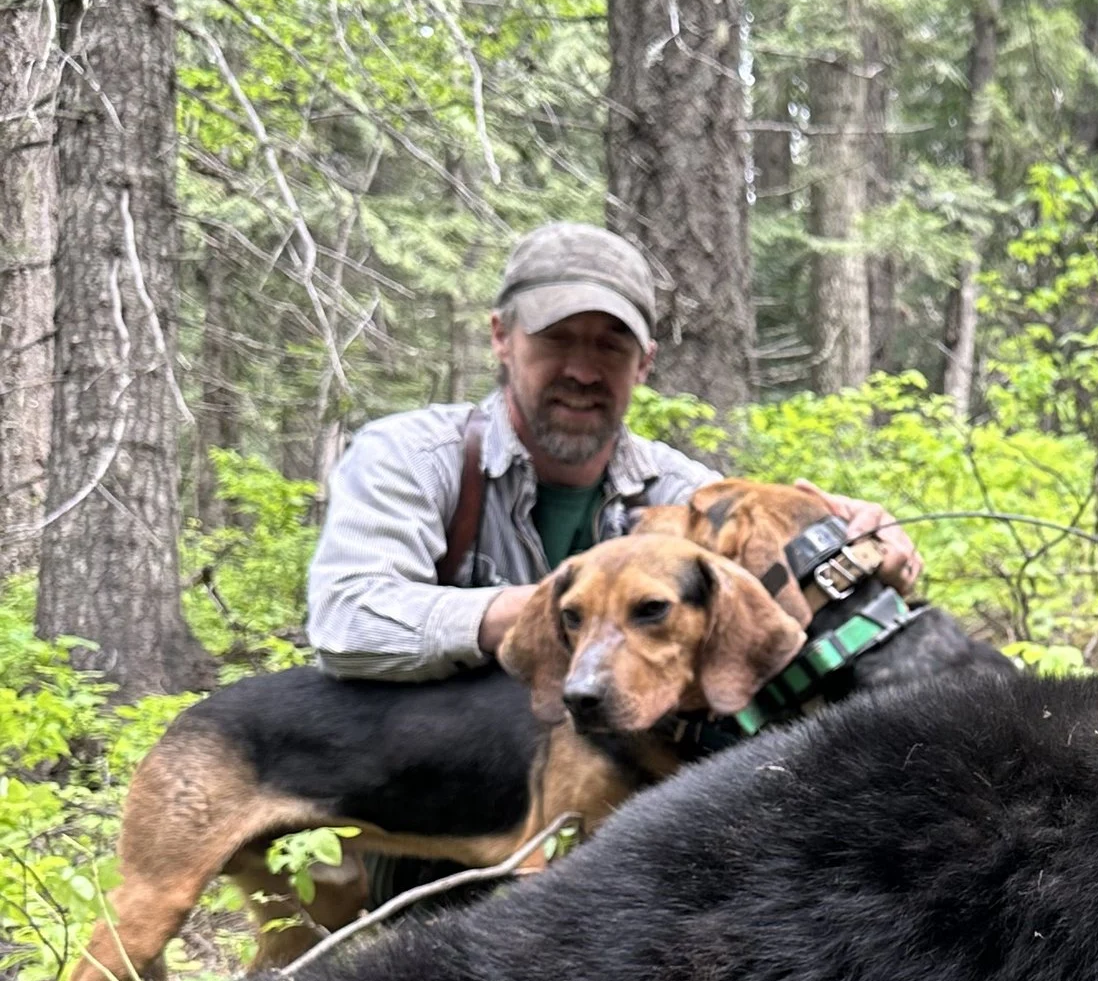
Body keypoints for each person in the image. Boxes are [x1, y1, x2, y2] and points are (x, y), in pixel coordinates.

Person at [308, 221, 916, 677]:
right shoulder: (411, 456)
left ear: (644, 364)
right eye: (556, 339)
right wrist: (573, 608)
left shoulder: (678, 493)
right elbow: (349, 619)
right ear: (501, 337)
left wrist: (857, 551)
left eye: (610, 346)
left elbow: (764, 601)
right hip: (432, 798)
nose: (582, 369)